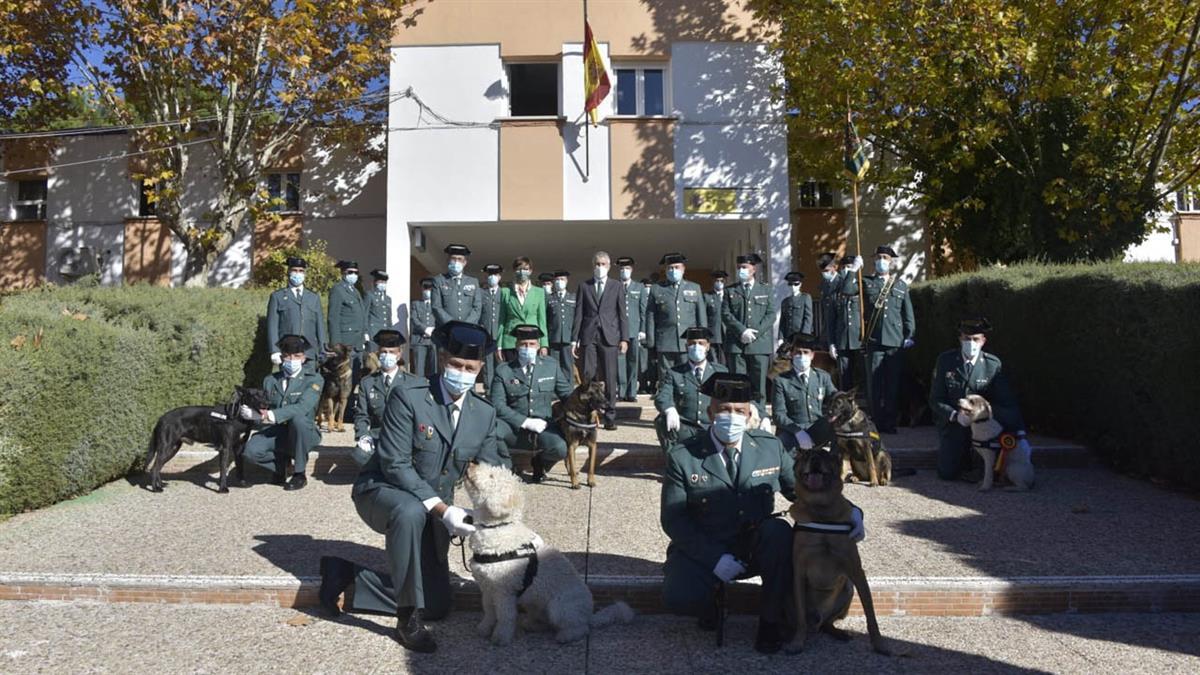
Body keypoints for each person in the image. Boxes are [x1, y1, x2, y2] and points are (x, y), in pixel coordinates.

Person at [317, 321, 510, 653]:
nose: (462, 373)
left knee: (437, 605)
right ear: (442, 359)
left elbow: (495, 472)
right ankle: (406, 619)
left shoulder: (483, 414)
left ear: (480, 368)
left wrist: (506, 522)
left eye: (470, 368)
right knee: (409, 512)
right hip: (383, 490)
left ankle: (346, 574)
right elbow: (395, 464)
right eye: (456, 365)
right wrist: (444, 510)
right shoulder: (409, 396)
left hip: (435, 509)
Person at [660, 373, 865, 654]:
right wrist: (714, 558)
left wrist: (850, 512)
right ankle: (709, 606)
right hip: (707, 543)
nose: (731, 417)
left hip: (756, 544)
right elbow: (674, 519)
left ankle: (770, 622)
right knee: (678, 596)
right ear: (710, 413)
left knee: (779, 532)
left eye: (739, 411)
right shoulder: (684, 455)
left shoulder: (769, 448)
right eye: (724, 410)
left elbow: (802, 490)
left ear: (749, 416)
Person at [930, 318, 1030, 481]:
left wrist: (1017, 433)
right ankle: (964, 462)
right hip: (956, 423)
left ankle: (978, 465)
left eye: (975, 339)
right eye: (967, 339)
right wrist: (955, 416)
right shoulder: (946, 361)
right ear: (960, 339)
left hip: (983, 425)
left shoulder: (992, 364)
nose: (971, 343)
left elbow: (1006, 402)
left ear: (983, 341)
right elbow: (936, 399)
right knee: (947, 473)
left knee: (987, 470)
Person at [491, 324, 574, 483]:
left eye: (531, 344)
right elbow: (497, 405)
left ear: (538, 345)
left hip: (543, 426)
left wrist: (587, 405)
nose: (527, 348)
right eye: (523, 344)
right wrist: (524, 421)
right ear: (516, 345)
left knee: (560, 448)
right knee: (492, 432)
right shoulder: (504, 370)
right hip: (513, 427)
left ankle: (540, 465)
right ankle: (507, 469)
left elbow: (567, 395)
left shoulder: (551, 366)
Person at [240, 334, 324, 491]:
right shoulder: (270, 380)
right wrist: (254, 414)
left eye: (296, 356)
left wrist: (269, 415)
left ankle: (299, 474)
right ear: (282, 358)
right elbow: (264, 406)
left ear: (303, 358)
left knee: (298, 420)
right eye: (287, 356)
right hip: (278, 431)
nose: (292, 360)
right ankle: (281, 466)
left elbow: (303, 407)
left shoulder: (314, 379)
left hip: (303, 432)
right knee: (250, 451)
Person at [860, 245, 916, 433]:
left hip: (894, 341)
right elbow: (849, 290)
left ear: (891, 261)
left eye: (885, 258)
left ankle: (890, 422)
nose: (881, 261)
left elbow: (907, 314)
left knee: (892, 385)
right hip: (874, 340)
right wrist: (853, 271)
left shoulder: (900, 285)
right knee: (874, 385)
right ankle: (876, 422)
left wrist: (909, 334)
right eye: (878, 258)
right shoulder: (866, 282)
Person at [571, 251, 628, 430]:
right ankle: (588, 414)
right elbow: (578, 313)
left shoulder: (616, 286)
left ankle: (610, 416)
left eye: (603, 264)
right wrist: (574, 339)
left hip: (609, 336)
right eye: (597, 264)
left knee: (610, 377)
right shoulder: (584, 286)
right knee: (588, 376)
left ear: (609, 266)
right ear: (593, 266)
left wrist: (624, 338)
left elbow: (622, 314)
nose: (600, 267)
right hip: (589, 336)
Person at [653, 327, 728, 451]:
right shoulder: (675, 373)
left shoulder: (720, 372)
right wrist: (669, 409)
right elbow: (662, 395)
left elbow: (735, 397)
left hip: (711, 427)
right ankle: (673, 458)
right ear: (686, 347)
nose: (696, 347)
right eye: (692, 343)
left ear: (708, 346)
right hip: (685, 427)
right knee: (662, 420)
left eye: (701, 343)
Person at [353, 329, 414, 466]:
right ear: (378, 353)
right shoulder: (367, 382)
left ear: (399, 354)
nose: (387, 355)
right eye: (384, 352)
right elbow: (361, 415)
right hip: (377, 436)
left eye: (392, 352)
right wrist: (363, 436)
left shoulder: (411, 382)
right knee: (360, 455)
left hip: (404, 438)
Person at [721, 253, 776, 405]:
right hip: (736, 345)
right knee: (737, 384)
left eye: (744, 267)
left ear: (753, 269)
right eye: (739, 268)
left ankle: (760, 412)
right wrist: (742, 331)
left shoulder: (765, 289)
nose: (741, 270)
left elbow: (771, 315)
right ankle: (739, 412)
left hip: (759, 345)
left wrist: (755, 333)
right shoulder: (730, 290)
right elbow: (725, 314)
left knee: (759, 385)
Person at [772, 333, 838, 455]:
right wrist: (797, 431)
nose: (802, 356)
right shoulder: (781, 381)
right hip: (792, 430)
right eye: (798, 352)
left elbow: (835, 398)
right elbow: (778, 415)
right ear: (791, 354)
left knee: (840, 435)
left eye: (806, 352)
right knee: (782, 450)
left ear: (812, 355)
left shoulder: (822, 377)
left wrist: (835, 414)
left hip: (818, 427)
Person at [646, 253, 707, 375]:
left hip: (688, 342)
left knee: (687, 375)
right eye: (670, 268)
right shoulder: (656, 289)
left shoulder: (694, 288)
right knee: (666, 376)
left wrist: (702, 341)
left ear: (683, 269)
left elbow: (701, 316)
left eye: (676, 267)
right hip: (665, 341)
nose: (673, 271)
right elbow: (650, 316)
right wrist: (651, 342)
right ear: (665, 270)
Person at [266, 256, 326, 363]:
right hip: (288, 352)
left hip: (309, 352)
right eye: (294, 270)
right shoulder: (277, 296)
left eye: (301, 271)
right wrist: (274, 350)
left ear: (305, 273)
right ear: (288, 272)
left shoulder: (313, 297)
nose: (298, 273)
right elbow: (272, 325)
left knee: (310, 374)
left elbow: (320, 325)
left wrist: (323, 348)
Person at [497, 257, 548, 362]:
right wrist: (499, 346)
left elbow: (542, 320)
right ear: (514, 271)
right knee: (511, 371)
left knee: (530, 370)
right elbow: (501, 320)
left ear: (530, 271)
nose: (522, 272)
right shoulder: (505, 292)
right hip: (510, 341)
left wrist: (544, 344)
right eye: (519, 269)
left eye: (525, 269)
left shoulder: (539, 292)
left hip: (532, 340)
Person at [329, 260, 369, 386]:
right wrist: (336, 344)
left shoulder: (355, 291)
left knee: (356, 377)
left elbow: (361, 315)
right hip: (346, 343)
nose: (354, 275)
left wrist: (364, 334)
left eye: (356, 273)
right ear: (343, 273)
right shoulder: (338, 290)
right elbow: (333, 318)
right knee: (345, 380)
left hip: (357, 342)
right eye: (350, 272)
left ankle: (352, 399)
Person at [829, 254, 864, 391]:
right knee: (844, 376)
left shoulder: (861, 288)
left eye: (849, 267)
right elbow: (831, 320)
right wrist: (831, 343)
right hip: (842, 340)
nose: (846, 270)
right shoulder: (835, 293)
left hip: (859, 339)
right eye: (843, 267)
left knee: (862, 374)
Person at [616, 256, 647, 402]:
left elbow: (643, 310)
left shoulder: (639, 287)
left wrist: (643, 329)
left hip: (634, 330)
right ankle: (621, 392)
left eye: (627, 268)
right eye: (622, 269)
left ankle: (632, 392)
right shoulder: (614, 286)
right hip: (618, 331)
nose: (624, 271)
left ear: (632, 270)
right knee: (620, 362)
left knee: (633, 362)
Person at [431, 243, 482, 328]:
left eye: (459, 259)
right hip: (446, 329)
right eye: (453, 259)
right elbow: (436, 307)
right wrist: (453, 325)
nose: (456, 262)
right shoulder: (439, 280)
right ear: (448, 261)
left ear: (465, 263)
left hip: (468, 329)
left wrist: (466, 325)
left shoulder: (473, 282)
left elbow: (477, 307)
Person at [479, 263, 503, 395]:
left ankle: (500, 390)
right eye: (489, 275)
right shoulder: (481, 293)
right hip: (486, 333)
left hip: (500, 333)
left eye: (495, 274)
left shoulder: (504, 293)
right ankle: (488, 389)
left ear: (499, 277)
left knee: (501, 362)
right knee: (487, 363)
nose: (492, 277)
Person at [546, 270, 576, 377]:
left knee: (568, 367)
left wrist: (575, 339)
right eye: (557, 280)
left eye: (562, 279)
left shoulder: (573, 297)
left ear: (566, 281)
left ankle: (569, 387)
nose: (560, 282)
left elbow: (576, 320)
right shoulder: (549, 298)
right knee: (553, 367)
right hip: (553, 338)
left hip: (568, 339)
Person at [409, 278, 437, 378]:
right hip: (419, 340)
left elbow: (440, 318)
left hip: (434, 340)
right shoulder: (416, 304)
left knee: (434, 367)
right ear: (421, 289)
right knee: (419, 368)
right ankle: (419, 385)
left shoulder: (437, 305)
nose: (427, 291)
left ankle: (433, 385)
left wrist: (433, 330)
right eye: (425, 288)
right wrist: (425, 329)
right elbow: (414, 319)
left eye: (429, 288)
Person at [779, 271, 813, 342]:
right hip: (788, 336)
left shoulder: (805, 298)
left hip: (801, 335)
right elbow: (783, 321)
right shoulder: (785, 301)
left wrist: (804, 335)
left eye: (796, 284)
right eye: (790, 284)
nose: (793, 287)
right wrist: (780, 337)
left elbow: (808, 318)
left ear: (800, 284)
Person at [815, 252, 839, 347]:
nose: (824, 273)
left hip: (839, 330)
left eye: (826, 270)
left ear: (834, 267)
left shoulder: (841, 282)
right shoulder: (824, 284)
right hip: (827, 330)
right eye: (822, 271)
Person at [705, 270, 728, 366]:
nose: (719, 283)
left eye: (721, 281)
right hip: (713, 334)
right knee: (713, 361)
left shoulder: (729, 295)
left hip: (728, 334)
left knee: (727, 361)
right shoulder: (707, 297)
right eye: (717, 281)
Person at [366, 269, 393, 341]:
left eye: (385, 282)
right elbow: (365, 314)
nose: (383, 284)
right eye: (381, 282)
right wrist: (365, 332)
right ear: (375, 282)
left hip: (385, 334)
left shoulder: (388, 299)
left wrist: (390, 331)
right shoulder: (370, 295)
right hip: (373, 332)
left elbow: (388, 318)